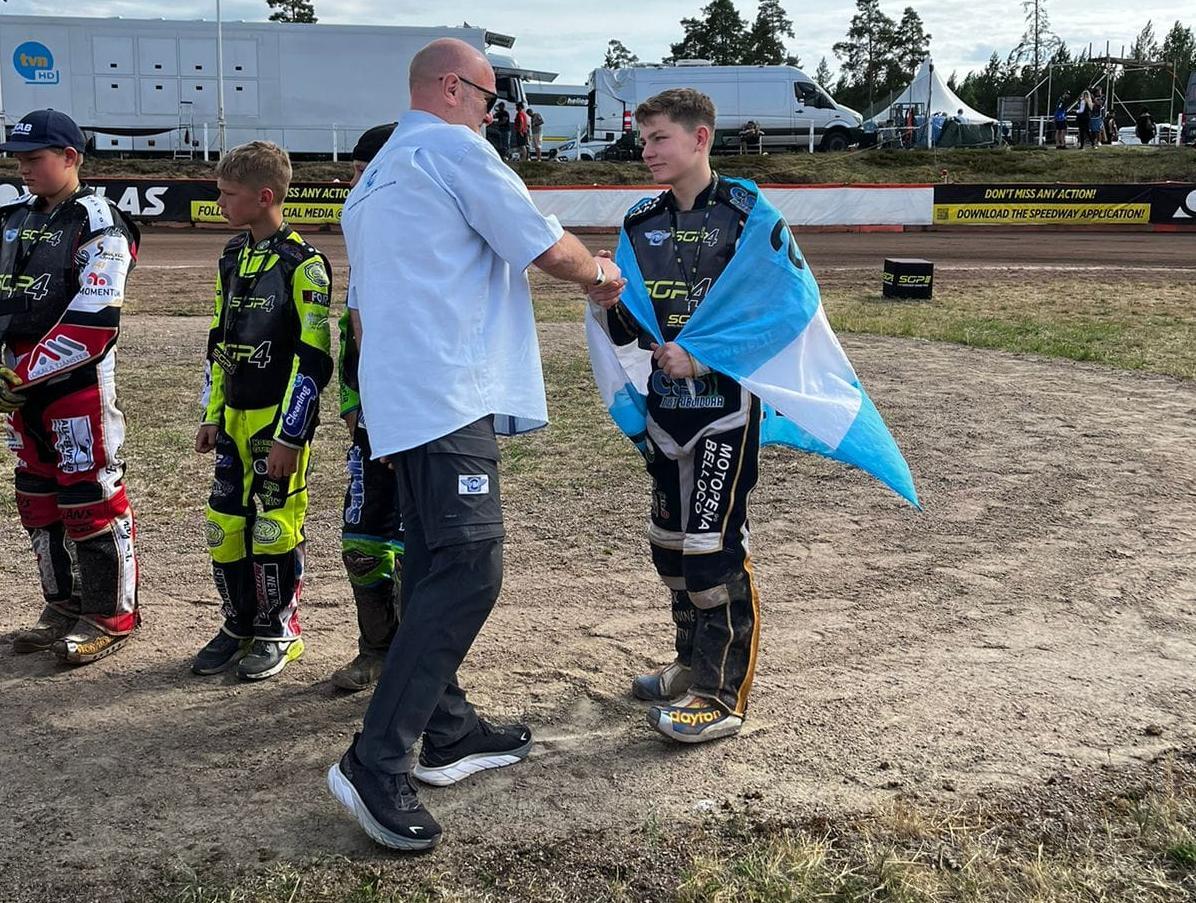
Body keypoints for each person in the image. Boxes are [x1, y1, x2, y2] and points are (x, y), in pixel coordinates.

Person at [326, 37, 624, 851]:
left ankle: (449, 727)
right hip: (448, 390)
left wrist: (381, 408)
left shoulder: (376, 177)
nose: (495, 116)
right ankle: (377, 758)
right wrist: (600, 274)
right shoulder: (455, 151)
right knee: (470, 567)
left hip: (403, 399)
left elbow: (364, 310)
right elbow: (543, 245)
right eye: (492, 101)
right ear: (455, 89)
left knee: (432, 564)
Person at [587, 89, 917, 746]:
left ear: (700, 138)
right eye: (643, 139)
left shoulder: (748, 216)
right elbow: (631, 326)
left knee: (712, 550)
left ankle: (721, 695)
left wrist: (702, 357)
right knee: (670, 547)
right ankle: (691, 663)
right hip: (665, 414)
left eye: (659, 138)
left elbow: (786, 308)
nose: (646, 151)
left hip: (726, 413)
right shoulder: (639, 222)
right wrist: (605, 298)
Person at [0, 109, 141, 665]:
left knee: (90, 497)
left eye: (34, 158)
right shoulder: (10, 217)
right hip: (16, 388)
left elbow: (95, 320)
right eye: (17, 158)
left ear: (70, 157)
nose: (22, 167)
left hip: (76, 385)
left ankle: (110, 616)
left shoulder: (100, 221)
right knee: (35, 497)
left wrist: (22, 372)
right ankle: (61, 606)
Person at [192, 141, 333, 681]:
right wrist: (211, 413)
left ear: (265, 196)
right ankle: (238, 625)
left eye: (228, 194)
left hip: (277, 423)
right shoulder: (231, 256)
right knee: (224, 525)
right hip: (232, 418)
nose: (220, 203)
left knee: (273, 527)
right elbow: (218, 340)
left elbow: (314, 359)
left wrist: (290, 436)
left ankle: (279, 630)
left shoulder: (306, 265)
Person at [331, 122, 404, 692]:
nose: (356, 184)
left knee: (416, 549)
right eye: (354, 173)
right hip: (369, 424)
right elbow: (348, 334)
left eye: (364, 173)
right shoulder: (364, 237)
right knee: (361, 542)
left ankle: (418, 661)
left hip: (418, 423)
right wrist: (352, 403)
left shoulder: (420, 240)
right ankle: (374, 650)